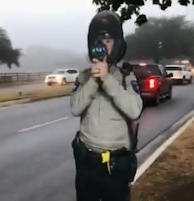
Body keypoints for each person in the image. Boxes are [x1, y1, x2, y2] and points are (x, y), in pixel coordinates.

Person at [70, 10, 143, 201]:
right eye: (98, 39)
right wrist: (94, 80)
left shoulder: (127, 78)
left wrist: (107, 79)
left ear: (117, 44)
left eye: (108, 40)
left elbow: (135, 111)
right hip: (87, 164)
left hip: (116, 167)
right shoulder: (83, 77)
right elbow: (75, 108)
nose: (102, 44)